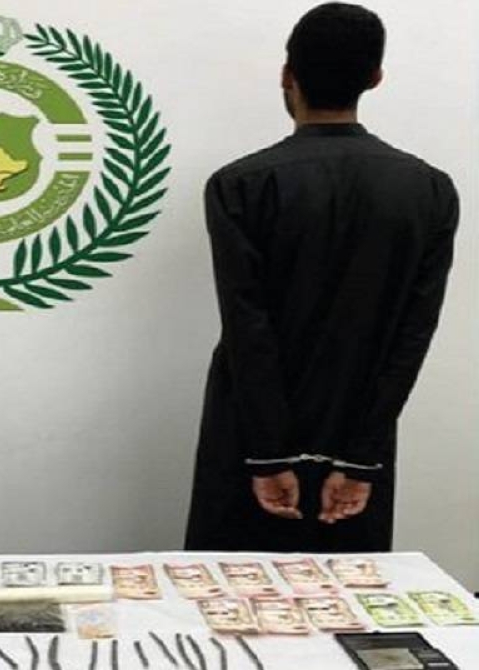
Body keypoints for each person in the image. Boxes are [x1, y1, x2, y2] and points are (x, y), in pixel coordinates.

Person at [185, 3, 458, 553]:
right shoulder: (429, 190)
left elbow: (248, 329)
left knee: (233, 591)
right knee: (350, 595)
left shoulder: (240, 185)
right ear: (375, 78)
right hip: (358, 436)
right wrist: (361, 460)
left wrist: (269, 456)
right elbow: (412, 335)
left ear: (287, 74)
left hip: (249, 436)